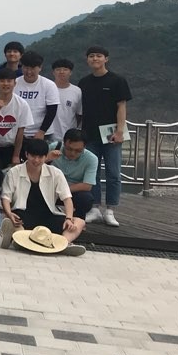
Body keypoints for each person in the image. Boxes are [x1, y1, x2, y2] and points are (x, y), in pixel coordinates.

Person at [0, 139, 86, 255]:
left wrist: (69, 219)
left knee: (79, 222)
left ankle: (62, 243)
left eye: (40, 157)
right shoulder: (14, 172)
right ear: (26, 154)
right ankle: (22, 241)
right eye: (33, 156)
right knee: (10, 220)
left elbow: (67, 198)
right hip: (22, 214)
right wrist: (9, 213)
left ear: (46, 157)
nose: (36, 160)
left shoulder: (55, 173)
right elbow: (6, 197)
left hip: (48, 215)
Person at [78, 45, 132, 228]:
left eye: (99, 56)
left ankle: (110, 210)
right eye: (91, 56)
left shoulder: (117, 80)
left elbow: (121, 107)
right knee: (91, 173)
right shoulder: (84, 82)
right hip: (89, 135)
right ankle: (94, 208)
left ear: (106, 59)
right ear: (87, 59)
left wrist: (120, 131)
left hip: (111, 135)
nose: (95, 59)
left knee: (113, 173)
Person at [0, 69, 34, 169]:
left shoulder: (22, 104)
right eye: (2, 81)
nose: (5, 84)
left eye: (9, 81)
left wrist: (16, 155)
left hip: (11, 147)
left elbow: (20, 132)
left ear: (14, 83)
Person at [47, 128, 99, 221]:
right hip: (50, 187)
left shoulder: (91, 159)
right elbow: (34, 166)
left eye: (78, 150)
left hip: (72, 191)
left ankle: (77, 221)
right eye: (69, 149)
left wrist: (63, 190)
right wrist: (47, 158)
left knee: (86, 198)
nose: (72, 153)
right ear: (64, 143)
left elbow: (87, 185)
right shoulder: (54, 147)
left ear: (85, 147)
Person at [14, 51, 59, 144]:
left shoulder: (49, 85)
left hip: (43, 133)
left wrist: (41, 132)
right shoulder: (14, 83)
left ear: (40, 68)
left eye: (33, 68)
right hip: (18, 132)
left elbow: (52, 111)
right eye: (26, 68)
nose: (29, 72)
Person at [47, 58, 82, 144]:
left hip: (69, 138)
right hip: (48, 136)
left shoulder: (77, 91)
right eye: (58, 69)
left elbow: (79, 114)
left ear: (70, 72)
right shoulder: (47, 88)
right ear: (53, 72)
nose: (61, 72)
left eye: (65, 69)